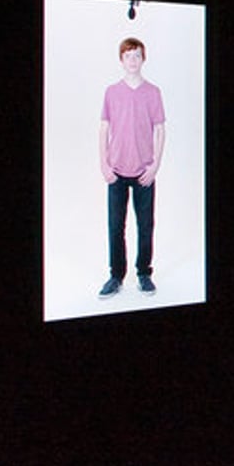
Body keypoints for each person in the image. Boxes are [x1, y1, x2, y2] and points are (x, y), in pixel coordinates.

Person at [99, 37, 165, 296]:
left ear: (143, 59)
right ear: (121, 60)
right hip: (116, 171)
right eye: (128, 56)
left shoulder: (153, 92)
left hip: (144, 172)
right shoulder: (111, 92)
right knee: (116, 227)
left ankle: (144, 273)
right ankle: (116, 276)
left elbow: (160, 130)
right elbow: (103, 128)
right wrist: (103, 164)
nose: (133, 60)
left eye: (137, 55)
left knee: (145, 226)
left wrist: (155, 166)